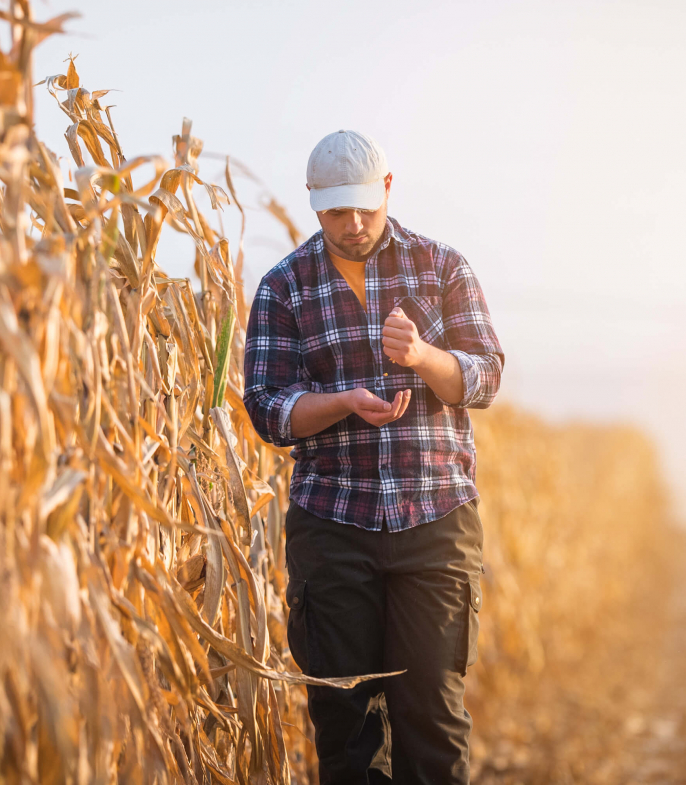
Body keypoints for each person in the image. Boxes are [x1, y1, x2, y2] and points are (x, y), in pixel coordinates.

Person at [243, 129, 504, 784]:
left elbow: (484, 376)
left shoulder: (442, 268)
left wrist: (421, 357)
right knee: (346, 729)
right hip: (332, 524)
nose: (353, 225)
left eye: (364, 207)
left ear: (387, 190)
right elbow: (268, 410)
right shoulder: (285, 287)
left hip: (435, 520)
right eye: (336, 212)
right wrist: (343, 401)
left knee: (432, 724)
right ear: (313, 204)